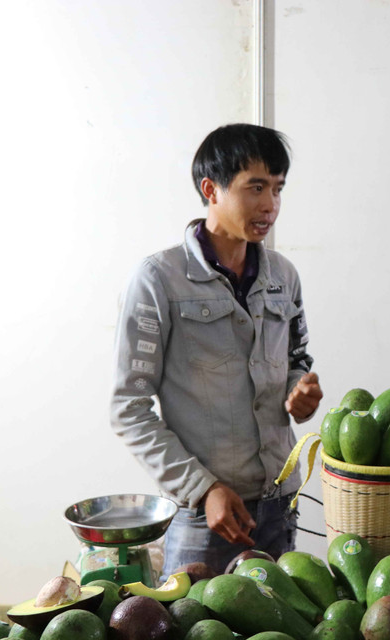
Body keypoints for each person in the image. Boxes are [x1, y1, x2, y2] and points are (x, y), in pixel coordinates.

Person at [110, 124, 324, 578]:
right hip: (202, 516)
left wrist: (298, 393)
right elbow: (128, 408)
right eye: (256, 188)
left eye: (278, 189)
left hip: (280, 505)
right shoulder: (157, 280)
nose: (270, 205)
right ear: (211, 189)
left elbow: (295, 363)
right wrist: (203, 489)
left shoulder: (283, 276)